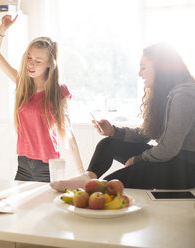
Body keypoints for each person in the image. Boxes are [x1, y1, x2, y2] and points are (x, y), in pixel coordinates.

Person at [51, 42, 195, 191]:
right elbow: (148, 133)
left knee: (109, 185)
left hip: (186, 168)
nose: (139, 73)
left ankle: (88, 188)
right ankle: (86, 178)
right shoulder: (167, 94)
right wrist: (114, 131)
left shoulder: (184, 96)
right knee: (108, 144)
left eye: (143, 67)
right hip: (171, 159)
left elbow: (168, 149)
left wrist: (138, 159)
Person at [0, 14, 84, 182]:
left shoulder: (58, 91)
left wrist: (81, 172)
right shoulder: (22, 83)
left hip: (46, 166)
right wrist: (2, 30)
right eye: (29, 58)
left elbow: (67, 132)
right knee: (19, 207)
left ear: (50, 64)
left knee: (45, 208)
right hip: (23, 163)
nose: (31, 64)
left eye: (38, 61)